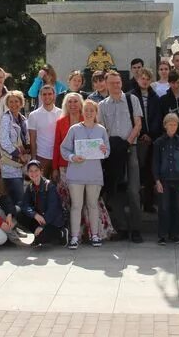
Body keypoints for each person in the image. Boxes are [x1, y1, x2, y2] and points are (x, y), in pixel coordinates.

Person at [99, 70, 144, 243]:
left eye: (118, 82)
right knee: (115, 190)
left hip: (130, 148)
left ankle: (136, 229)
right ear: (106, 84)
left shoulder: (132, 100)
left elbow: (138, 124)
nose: (116, 86)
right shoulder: (102, 105)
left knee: (133, 191)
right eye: (112, 83)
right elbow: (101, 129)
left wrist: (127, 143)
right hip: (112, 152)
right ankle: (123, 228)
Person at [60, 99, 110, 249]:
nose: (89, 113)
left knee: (93, 205)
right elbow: (64, 149)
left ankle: (94, 235)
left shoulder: (101, 130)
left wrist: (103, 150)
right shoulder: (74, 129)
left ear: (96, 112)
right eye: (86, 110)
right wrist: (72, 157)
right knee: (76, 206)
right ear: (83, 111)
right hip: (76, 174)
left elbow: (107, 151)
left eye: (92, 110)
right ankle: (74, 237)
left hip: (94, 174)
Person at [128, 67, 163, 214]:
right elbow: (131, 117)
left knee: (150, 171)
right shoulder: (130, 96)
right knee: (136, 172)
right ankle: (136, 203)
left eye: (148, 79)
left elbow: (157, 117)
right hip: (136, 138)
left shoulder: (155, 97)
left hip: (152, 139)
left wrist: (150, 134)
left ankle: (148, 203)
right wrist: (141, 133)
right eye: (142, 78)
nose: (145, 81)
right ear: (137, 79)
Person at [152, 113, 179, 245]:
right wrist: (157, 180)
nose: (172, 127)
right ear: (165, 125)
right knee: (164, 208)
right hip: (164, 180)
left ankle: (175, 234)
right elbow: (155, 162)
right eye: (170, 124)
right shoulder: (158, 143)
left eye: (175, 124)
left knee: (177, 207)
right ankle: (162, 235)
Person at [18, 159, 68, 247]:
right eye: (31, 171)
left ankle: (61, 233)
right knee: (19, 214)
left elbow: (53, 209)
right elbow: (24, 205)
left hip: (53, 220)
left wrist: (42, 226)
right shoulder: (30, 187)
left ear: (41, 171)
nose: (33, 173)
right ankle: (37, 234)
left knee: (42, 238)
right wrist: (34, 214)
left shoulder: (49, 186)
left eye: (36, 170)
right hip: (40, 218)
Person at [0, 91, 31, 208]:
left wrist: (27, 152)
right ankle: (15, 224)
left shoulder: (23, 119)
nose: (13, 104)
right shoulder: (6, 118)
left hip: (21, 165)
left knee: (19, 200)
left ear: (21, 103)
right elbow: (4, 141)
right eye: (10, 102)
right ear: (7, 103)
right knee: (19, 200)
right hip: (10, 166)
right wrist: (18, 154)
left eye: (16, 101)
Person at [28, 85, 61, 177]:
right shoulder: (33, 115)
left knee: (58, 188)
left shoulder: (61, 113)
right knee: (40, 188)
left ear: (54, 95)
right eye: (44, 94)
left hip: (57, 157)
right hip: (41, 157)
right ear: (40, 96)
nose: (47, 96)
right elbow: (32, 139)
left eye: (50, 94)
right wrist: (34, 158)